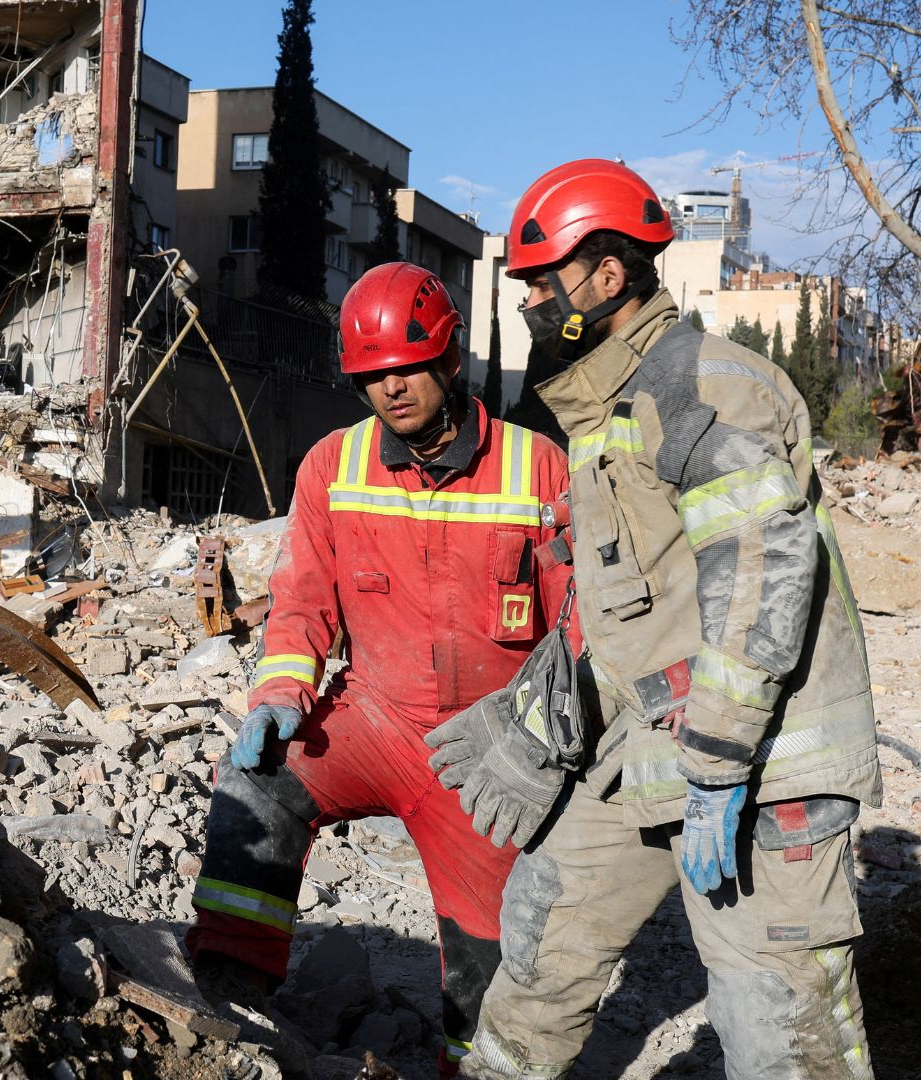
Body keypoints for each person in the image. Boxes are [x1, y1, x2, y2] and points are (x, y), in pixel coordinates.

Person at [452, 160, 882, 1079]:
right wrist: (553, 709)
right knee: (540, 944)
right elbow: (643, 596)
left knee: (782, 1036)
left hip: (758, 770)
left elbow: (765, 568)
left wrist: (721, 764)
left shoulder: (702, 386)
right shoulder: (611, 404)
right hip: (647, 750)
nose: (529, 298)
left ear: (609, 275)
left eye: (542, 277)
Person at [185, 262, 573, 1076]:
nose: (391, 389)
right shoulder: (334, 467)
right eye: (371, 376)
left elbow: (576, 628)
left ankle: (467, 1063)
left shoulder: (538, 469)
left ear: (449, 359)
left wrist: (545, 750)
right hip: (374, 717)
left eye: (406, 368)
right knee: (257, 783)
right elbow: (300, 605)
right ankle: (230, 1000)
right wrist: (279, 693)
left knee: (489, 976)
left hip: (485, 755)